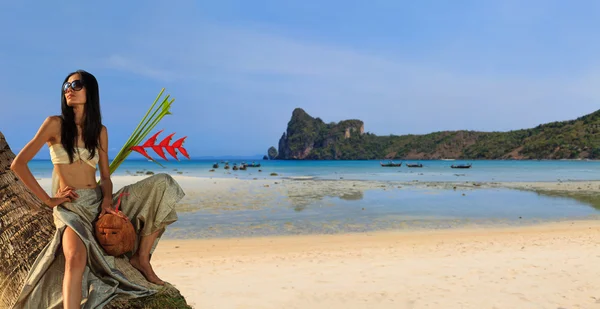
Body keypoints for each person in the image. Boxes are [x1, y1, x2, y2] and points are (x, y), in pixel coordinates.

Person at [9, 70, 185, 309]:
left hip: (99, 201)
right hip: (71, 207)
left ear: (90, 91)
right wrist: (49, 201)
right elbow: (18, 164)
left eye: (76, 84)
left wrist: (106, 203)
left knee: (163, 185)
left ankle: (141, 259)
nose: (69, 89)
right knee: (74, 258)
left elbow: (105, 176)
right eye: (66, 86)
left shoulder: (100, 131)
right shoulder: (54, 124)